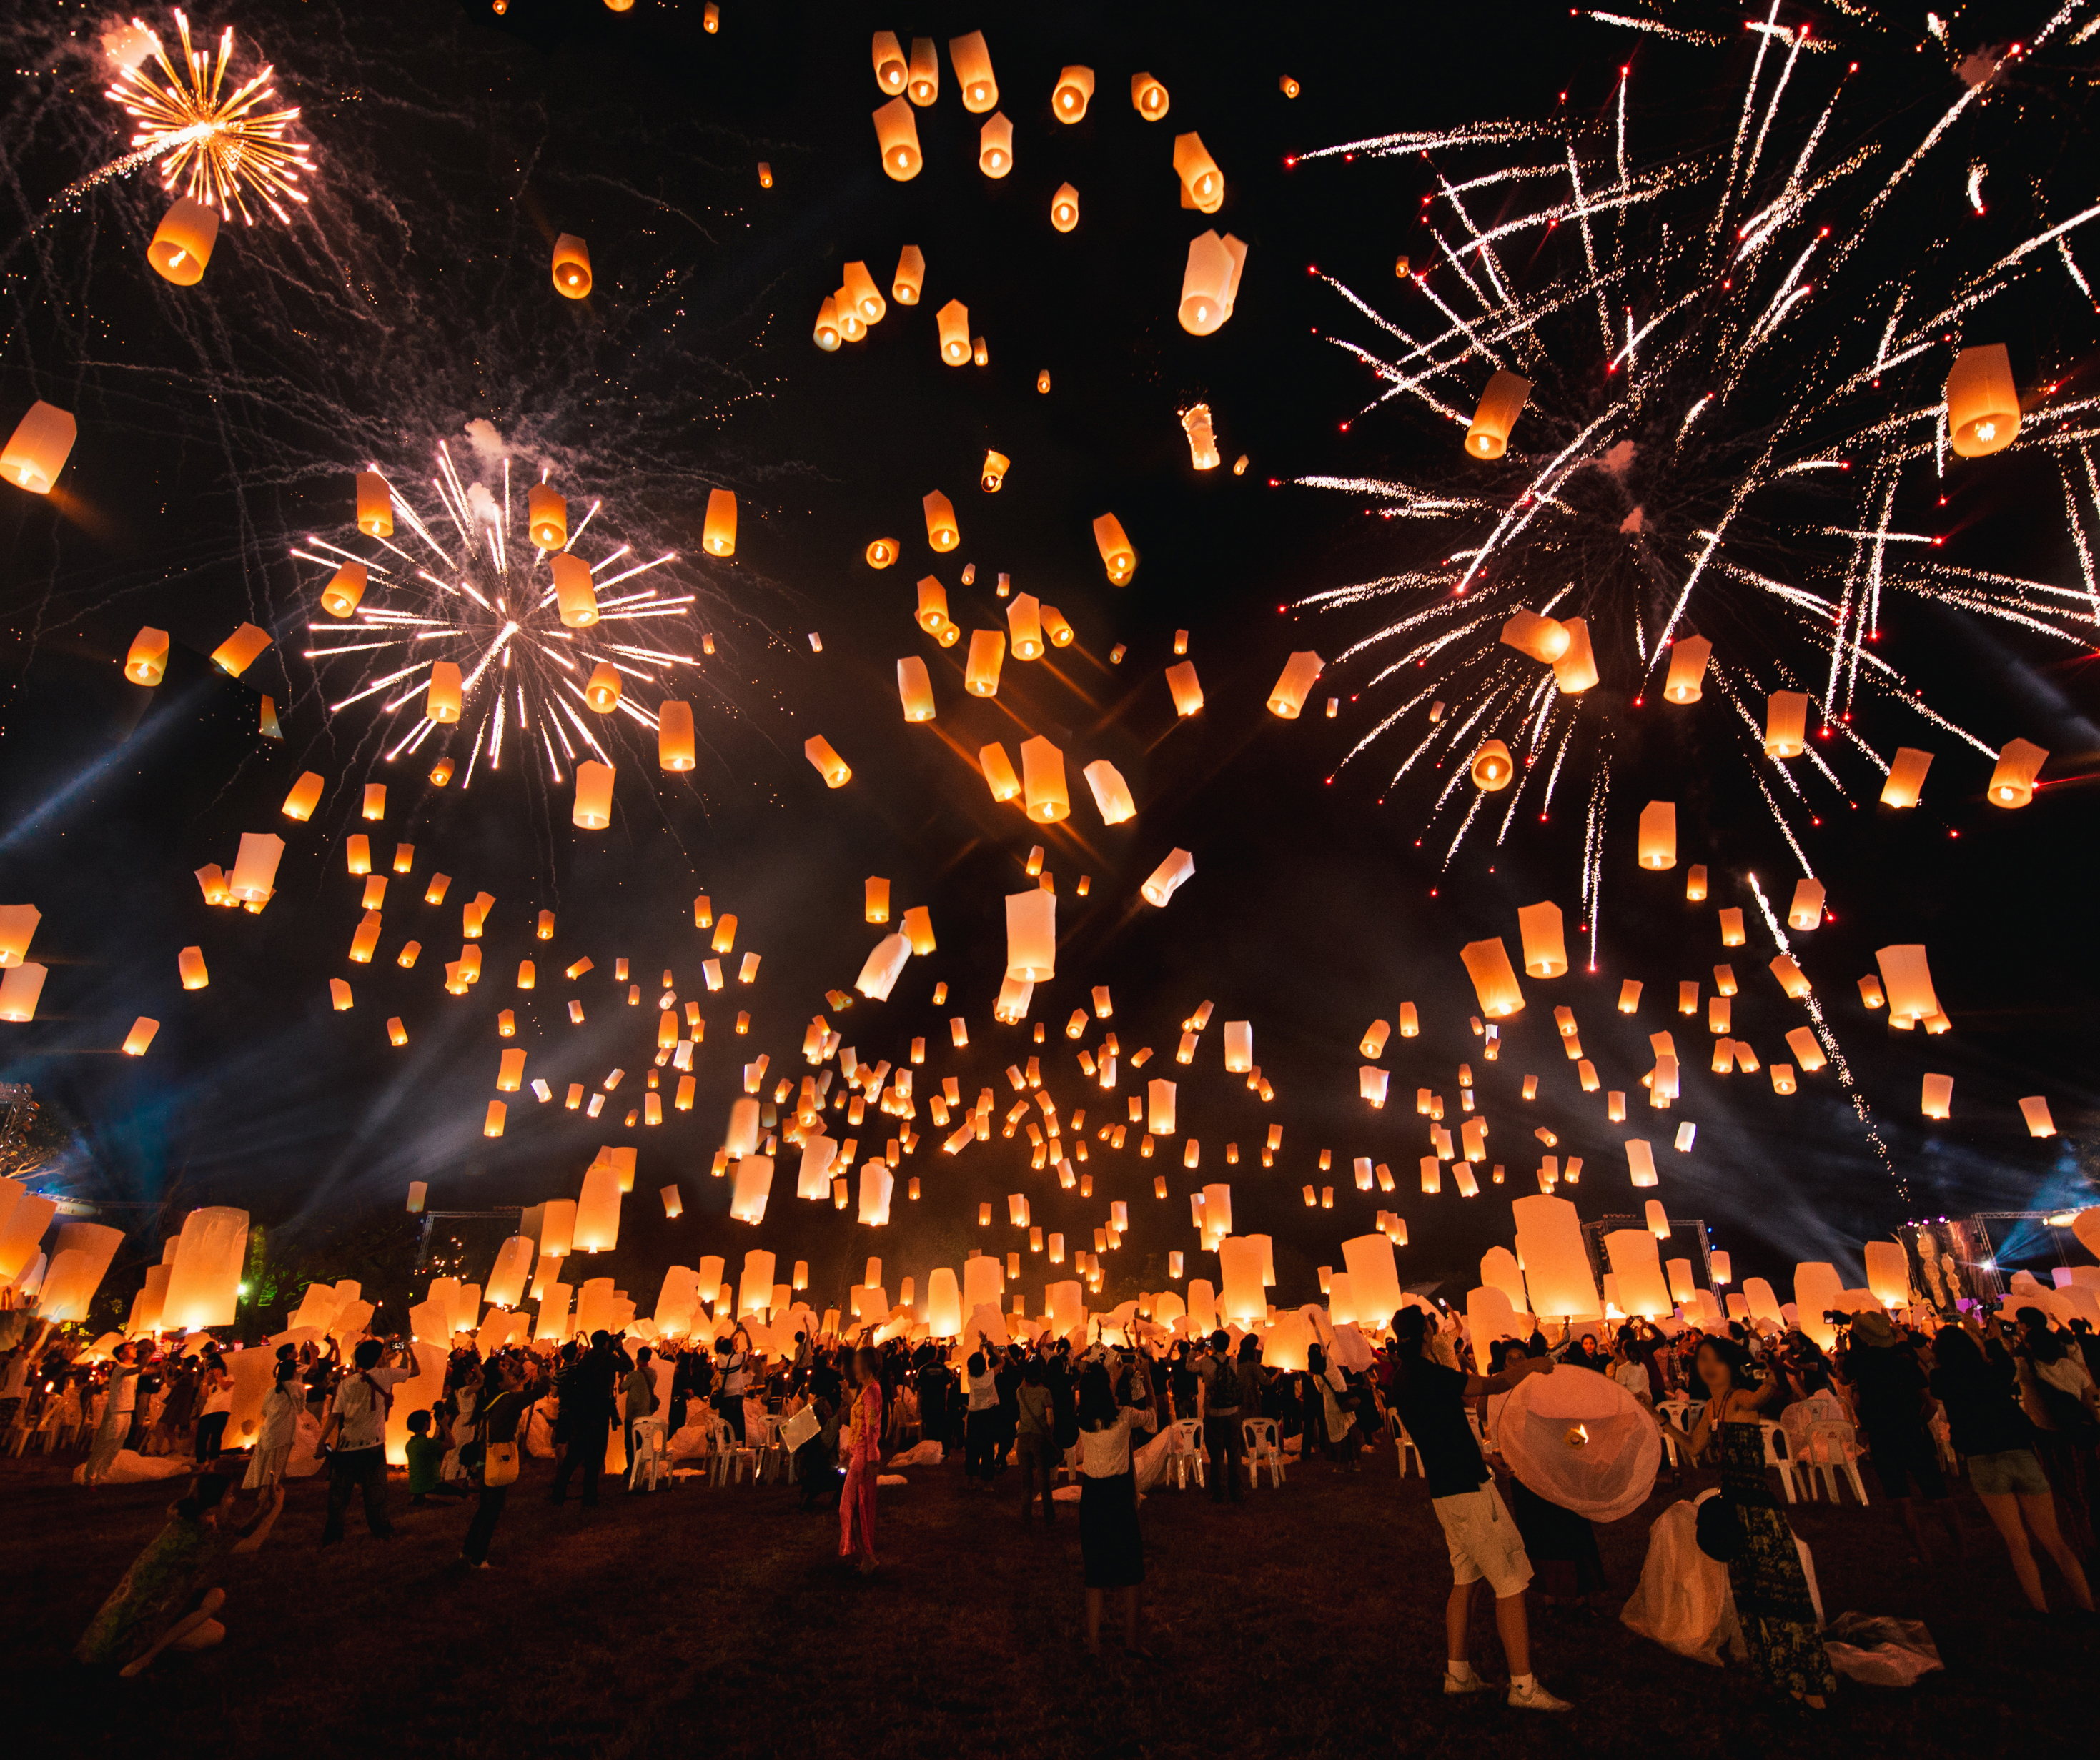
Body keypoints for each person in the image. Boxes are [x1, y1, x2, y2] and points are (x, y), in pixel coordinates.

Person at [1389, 1307, 1570, 1713]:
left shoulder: (1402, 1378)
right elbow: (1493, 1384)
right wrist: (1535, 1365)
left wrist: (1485, 1456)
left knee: (1465, 1578)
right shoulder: (1431, 1374)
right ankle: (1524, 1687)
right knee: (1512, 1581)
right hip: (1469, 1490)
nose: (1437, 1332)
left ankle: (1458, 1674)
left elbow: (1443, 1430)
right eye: (1433, 1328)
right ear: (1425, 1335)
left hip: (1445, 1492)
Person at [1677, 1337, 1833, 1709]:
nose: (1708, 1366)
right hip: (1733, 1507)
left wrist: (1771, 1371)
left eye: (1716, 1359)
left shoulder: (1739, 1398)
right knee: (1753, 1597)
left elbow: (1762, 1395)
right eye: (1703, 1359)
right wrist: (1658, 1419)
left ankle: (1811, 1686)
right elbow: (1694, 1447)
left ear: (1731, 1366)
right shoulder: (1711, 1408)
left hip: (1758, 1510)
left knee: (1781, 1593)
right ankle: (1781, 1677)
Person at [1930, 1316, 2091, 1614]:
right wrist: (1988, 1339)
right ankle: (2088, 1606)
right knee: (2054, 1539)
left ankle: (2042, 1610)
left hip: (1983, 1460)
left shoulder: (1942, 1380)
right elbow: (2004, 1363)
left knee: (2017, 1542)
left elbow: (1937, 1382)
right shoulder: (1995, 1372)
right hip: (2019, 1453)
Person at [74, 1473, 284, 1674]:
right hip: (141, 1619)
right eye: (229, 1496)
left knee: (214, 1617)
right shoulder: (200, 1534)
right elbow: (250, 1545)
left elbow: (237, 1535)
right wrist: (277, 1508)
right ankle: (142, 1659)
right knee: (215, 1616)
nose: (233, 1500)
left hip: (149, 1605)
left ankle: (149, 1650)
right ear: (213, 1504)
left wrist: (263, 1509)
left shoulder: (196, 1519)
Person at [1836, 1310, 1963, 1563]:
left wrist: (1842, 1352)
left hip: (1882, 1435)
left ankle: (1923, 1553)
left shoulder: (1858, 1361)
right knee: (1939, 1492)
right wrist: (1918, 1421)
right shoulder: (1905, 1361)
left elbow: (1842, 1377)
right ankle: (1962, 1549)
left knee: (1899, 1497)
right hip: (1913, 1431)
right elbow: (1930, 1403)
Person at [317, 1336, 418, 1545]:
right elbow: (415, 1371)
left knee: (339, 1494)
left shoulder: (346, 1384)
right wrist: (408, 1350)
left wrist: (321, 1441)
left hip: (347, 1444)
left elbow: (335, 1416)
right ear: (378, 1358)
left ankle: (333, 1535)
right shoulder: (385, 1375)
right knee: (376, 1491)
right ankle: (382, 1530)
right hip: (374, 1443)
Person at [1076, 1362, 1146, 1656]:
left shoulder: (1083, 1420)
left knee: (1095, 1574)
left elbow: (1099, 1399)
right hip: (1118, 1495)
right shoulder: (1125, 1417)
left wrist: (1111, 1378)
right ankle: (1132, 1642)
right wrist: (1147, 1378)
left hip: (1092, 1497)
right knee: (1132, 1570)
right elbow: (1152, 1418)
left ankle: (1094, 1644)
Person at [462, 1356, 532, 1569]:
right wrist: (543, 1374)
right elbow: (539, 1391)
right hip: (494, 1460)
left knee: (485, 1508)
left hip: (484, 1459)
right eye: (505, 1374)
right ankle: (478, 1558)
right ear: (500, 1384)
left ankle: (468, 1550)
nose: (510, 1375)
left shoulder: (491, 1398)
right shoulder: (505, 1401)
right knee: (491, 1510)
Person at [550, 1331, 620, 1509]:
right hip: (597, 1413)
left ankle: (559, 1493)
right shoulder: (605, 1358)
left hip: (582, 1413)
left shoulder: (585, 1360)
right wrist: (618, 1347)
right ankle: (589, 1496)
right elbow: (626, 1365)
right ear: (606, 1342)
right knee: (593, 1459)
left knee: (574, 1455)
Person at [839, 1346, 882, 1573]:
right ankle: (866, 1557)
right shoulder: (865, 1390)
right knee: (855, 1509)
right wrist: (848, 1451)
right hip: (857, 1455)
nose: (853, 1366)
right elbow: (858, 1425)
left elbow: (872, 1426)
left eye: (857, 1362)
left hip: (864, 1458)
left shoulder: (872, 1391)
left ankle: (867, 1557)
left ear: (865, 1365)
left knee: (851, 1508)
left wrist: (872, 1458)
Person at [1195, 1331, 1244, 1504]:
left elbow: (1189, 1366)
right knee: (1234, 1453)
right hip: (1232, 1411)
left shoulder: (1205, 1362)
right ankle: (1237, 1491)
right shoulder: (1233, 1362)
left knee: (1217, 1455)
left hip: (1213, 1412)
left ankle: (1218, 1493)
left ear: (1213, 1344)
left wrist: (1198, 1347)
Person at [242, 1360, 302, 1496]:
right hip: (285, 1431)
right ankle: (272, 1491)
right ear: (294, 1372)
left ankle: (263, 1490)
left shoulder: (272, 1391)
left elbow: (264, 1411)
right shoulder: (298, 1389)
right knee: (277, 1463)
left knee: (264, 1462)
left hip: (269, 1430)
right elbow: (300, 1409)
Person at [84, 1343, 141, 1486]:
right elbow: (140, 1369)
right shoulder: (120, 1368)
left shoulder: (134, 1368)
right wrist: (148, 1354)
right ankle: (90, 1477)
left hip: (127, 1411)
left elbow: (152, 1369)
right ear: (122, 1354)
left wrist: (162, 1355)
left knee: (116, 1446)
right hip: (116, 1411)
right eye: (130, 1348)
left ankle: (102, 1476)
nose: (134, 1350)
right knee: (106, 1444)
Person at [1016, 1357, 1057, 1523]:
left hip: (1022, 1438)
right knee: (1043, 1479)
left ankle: (1026, 1514)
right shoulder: (1045, 1393)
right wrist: (1049, 1434)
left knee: (1026, 1480)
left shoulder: (1020, 1392)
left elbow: (1022, 1384)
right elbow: (1050, 1420)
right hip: (1039, 1438)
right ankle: (1049, 1515)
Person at [405, 1409, 467, 1504]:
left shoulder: (410, 1444)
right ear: (426, 1423)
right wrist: (445, 1426)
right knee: (465, 1499)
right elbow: (452, 1444)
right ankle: (430, 1497)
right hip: (432, 1486)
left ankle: (420, 1497)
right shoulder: (428, 1443)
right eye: (430, 1419)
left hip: (416, 1488)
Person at [963, 1343, 1001, 1488]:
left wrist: (981, 1348)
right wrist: (993, 1348)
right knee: (987, 1449)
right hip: (987, 1415)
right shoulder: (990, 1375)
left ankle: (970, 1481)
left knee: (972, 1448)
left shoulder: (970, 1378)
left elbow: (978, 1364)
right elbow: (1002, 1362)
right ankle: (987, 1483)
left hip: (974, 1416)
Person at [624, 1345, 658, 1486]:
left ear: (638, 1358)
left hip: (633, 1414)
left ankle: (631, 1471)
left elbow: (621, 1389)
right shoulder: (653, 1373)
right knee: (642, 1443)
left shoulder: (634, 1375)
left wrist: (621, 1377)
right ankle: (641, 1470)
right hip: (647, 1413)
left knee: (630, 1444)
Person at [192, 1348, 234, 1463]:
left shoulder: (229, 1378)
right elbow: (204, 1394)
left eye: (215, 1368)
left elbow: (225, 1386)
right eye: (211, 1368)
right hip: (207, 1412)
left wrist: (218, 1377)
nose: (213, 1370)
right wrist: (206, 1380)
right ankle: (201, 1463)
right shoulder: (209, 1383)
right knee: (201, 1438)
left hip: (222, 1411)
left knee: (216, 1437)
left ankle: (212, 1464)